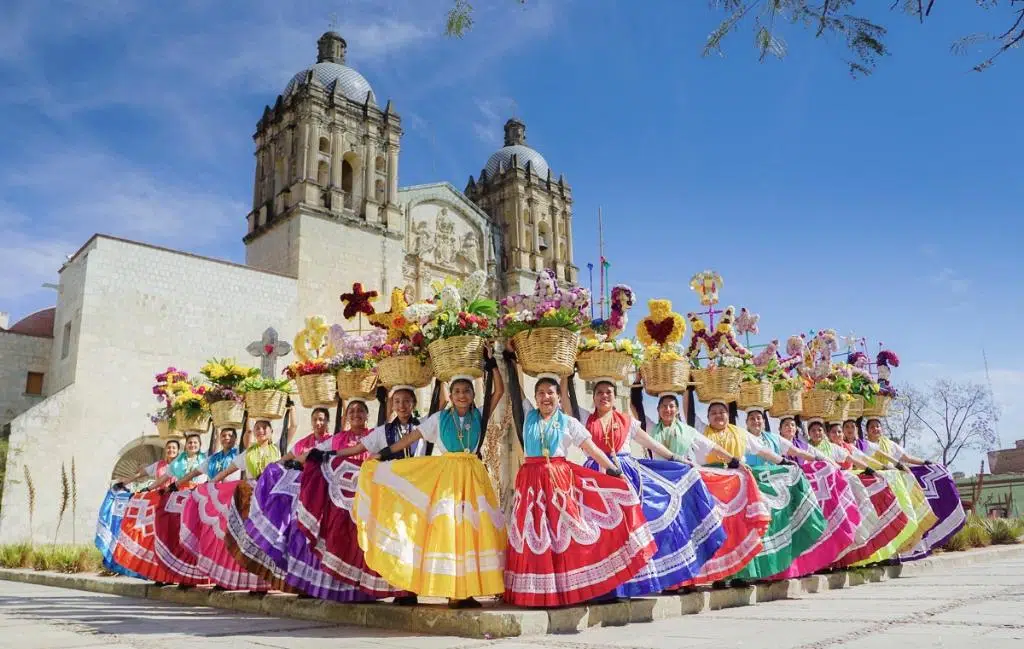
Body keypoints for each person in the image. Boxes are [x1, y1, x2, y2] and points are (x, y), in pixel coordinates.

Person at [341, 355, 507, 608]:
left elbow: (500, 391)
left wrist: (493, 365)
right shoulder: (439, 419)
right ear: (450, 396)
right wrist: (384, 454)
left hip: (474, 477)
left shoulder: (480, 415)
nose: (462, 395)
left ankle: (468, 591)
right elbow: (410, 439)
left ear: (473, 395)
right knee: (451, 531)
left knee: (474, 531)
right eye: (457, 391)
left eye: (466, 391)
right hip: (448, 477)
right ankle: (453, 591)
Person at [503, 372, 656, 608]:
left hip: (560, 483)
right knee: (534, 534)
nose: (546, 397)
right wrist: (507, 360)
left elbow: (592, 449)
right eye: (541, 393)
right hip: (530, 483)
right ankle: (534, 594)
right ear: (534, 397)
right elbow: (514, 389)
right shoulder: (527, 416)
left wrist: (614, 471)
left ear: (559, 397)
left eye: (551, 393)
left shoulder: (568, 422)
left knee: (563, 535)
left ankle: (565, 592)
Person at [574, 380, 725, 597]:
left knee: (631, 530)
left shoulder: (628, 422)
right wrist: (567, 377)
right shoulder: (584, 419)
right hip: (596, 478)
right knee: (601, 532)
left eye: (608, 392)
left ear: (615, 397)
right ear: (594, 397)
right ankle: (605, 588)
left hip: (626, 476)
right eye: (599, 392)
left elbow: (651, 444)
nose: (604, 396)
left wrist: (675, 458)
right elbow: (568, 401)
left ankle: (631, 584)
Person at [239, 399, 382, 601]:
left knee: (362, 541)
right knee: (329, 539)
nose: (356, 414)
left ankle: (365, 589)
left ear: (367, 416)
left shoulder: (374, 435)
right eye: (352, 411)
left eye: (360, 411)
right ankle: (324, 587)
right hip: (337, 502)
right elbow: (307, 454)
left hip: (366, 496)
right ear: (347, 417)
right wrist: (284, 465)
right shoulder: (337, 439)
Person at [300, 387, 420, 604]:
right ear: (392, 406)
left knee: (415, 539)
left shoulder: (423, 426)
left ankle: (411, 588)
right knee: (392, 538)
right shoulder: (382, 432)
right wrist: (328, 454)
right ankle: (399, 589)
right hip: (387, 493)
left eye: (406, 401)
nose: (402, 405)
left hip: (419, 488)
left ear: (414, 404)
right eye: (397, 401)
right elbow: (356, 451)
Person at [646, 392, 770, 588]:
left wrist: (735, 462)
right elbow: (634, 407)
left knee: (686, 531)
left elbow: (712, 447)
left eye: (672, 406)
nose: (668, 410)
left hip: (684, 486)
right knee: (666, 532)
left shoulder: (690, 432)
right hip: (660, 486)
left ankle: (688, 581)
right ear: (658, 411)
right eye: (664, 406)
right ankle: (670, 582)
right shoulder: (651, 430)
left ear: (677, 410)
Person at [700, 400, 826, 582]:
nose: (719, 415)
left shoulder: (741, 435)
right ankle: (721, 577)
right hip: (713, 487)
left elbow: (763, 452)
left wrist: (783, 463)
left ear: (729, 416)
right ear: (707, 417)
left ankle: (742, 576)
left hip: (738, 487)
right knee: (719, 530)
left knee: (741, 530)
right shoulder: (701, 433)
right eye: (714, 413)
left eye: (722, 411)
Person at [745, 409, 858, 580]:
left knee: (780, 526)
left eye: (758, 418)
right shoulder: (742, 437)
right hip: (755, 486)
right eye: (752, 419)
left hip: (777, 490)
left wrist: (823, 462)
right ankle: (758, 573)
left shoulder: (773, 438)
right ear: (746, 422)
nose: (756, 421)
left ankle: (780, 570)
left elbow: (797, 452)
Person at [181, 420, 278, 590]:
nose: (261, 431)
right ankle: (234, 581)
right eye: (257, 428)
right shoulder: (247, 454)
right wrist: (210, 485)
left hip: (271, 500)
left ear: (271, 431)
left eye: (264, 428)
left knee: (264, 539)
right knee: (243, 538)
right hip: (249, 498)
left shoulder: (278, 452)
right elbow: (227, 472)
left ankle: (263, 585)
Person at [864, 418, 965, 560]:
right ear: (867, 431)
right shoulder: (864, 446)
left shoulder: (889, 444)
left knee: (902, 519)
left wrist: (926, 463)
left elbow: (906, 457)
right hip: (876, 485)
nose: (876, 429)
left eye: (878, 426)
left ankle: (898, 554)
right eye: (872, 427)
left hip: (894, 485)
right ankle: (879, 556)